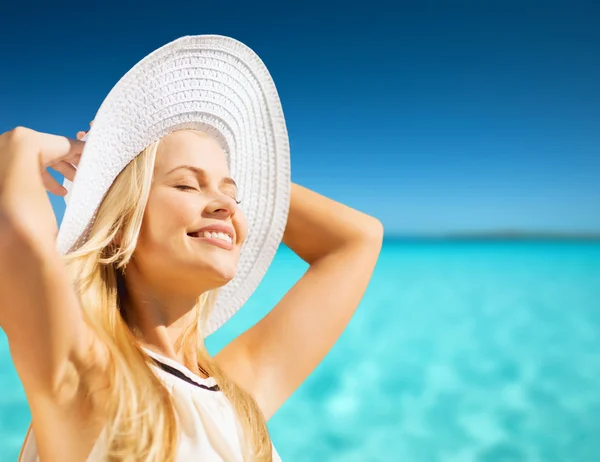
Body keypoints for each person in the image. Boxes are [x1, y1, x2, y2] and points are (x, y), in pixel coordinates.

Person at [0, 35, 383, 461]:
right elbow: (17, 235)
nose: (226, 206)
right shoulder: (90, 377)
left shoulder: (236, 395)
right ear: (123, 223)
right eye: (185, 184)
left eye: (234, 196)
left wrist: (246, 179)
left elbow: (358, 240)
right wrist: (30, 149)